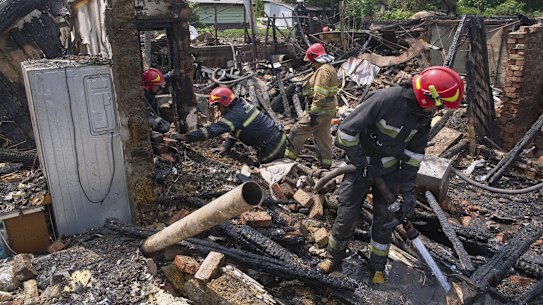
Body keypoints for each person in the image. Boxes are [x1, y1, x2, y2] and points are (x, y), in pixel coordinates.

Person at [316, 66, 464, 284]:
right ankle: (332, 258)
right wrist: (360, 163)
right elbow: (346, 132)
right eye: (439, 103)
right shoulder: (386, 100)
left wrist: (408, 191)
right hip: (360, 167)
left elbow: (413, 157)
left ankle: (377, 268)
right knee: (347, 215)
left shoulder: (422, 117)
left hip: (389, 173)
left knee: (385, 221)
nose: (438, 109)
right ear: (427, 95)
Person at [175, 87, 287, 164]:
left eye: (218, 106)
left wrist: (186, 137)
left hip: (271, 149)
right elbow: (237, 130)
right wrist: (226, 146)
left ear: (223, 104)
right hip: (277, 140)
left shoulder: (235, 115)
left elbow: (212, 131)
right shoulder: (241, 104)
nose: (218, 109)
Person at [284, 43, 338, 169]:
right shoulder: (329, 68)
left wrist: (313, 113)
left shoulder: (322, 71)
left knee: (297, 130)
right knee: (323, 137)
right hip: (328, 109)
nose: (310, 64)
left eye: (311, 61)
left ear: (314, 59)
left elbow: (320, 93)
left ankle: (288, 159)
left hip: (320, 110)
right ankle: (325, 165)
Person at [143, 68, 172, 133]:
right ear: (149, 85)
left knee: (166, 125)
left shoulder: (152, 91)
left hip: (153, 115)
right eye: (158, 86)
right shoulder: (144, 95)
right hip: (147, 117)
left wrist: (171, 74)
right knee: (153, 123)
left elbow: (164, 78)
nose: (160, 88)